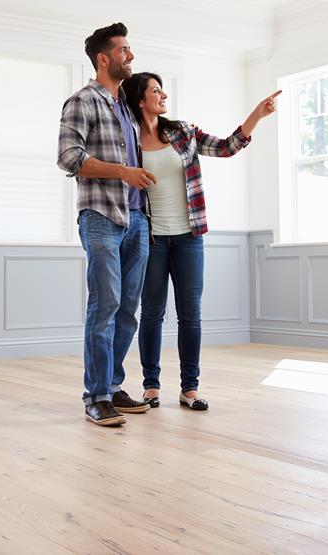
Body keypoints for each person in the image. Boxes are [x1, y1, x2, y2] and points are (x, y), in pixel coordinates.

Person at [122, 72, 280, 411]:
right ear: (140, 100)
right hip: (150, 238)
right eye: (155, 91)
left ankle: (189, 389)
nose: (163, 96)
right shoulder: (128, 140)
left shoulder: (182, 133)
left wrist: (256, 116)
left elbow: (225, 148)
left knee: (190, 315)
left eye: (162, 90)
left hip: (188, 237)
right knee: (151, 313)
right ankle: (151, 387)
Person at [57, 23, 159, 427]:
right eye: (124, 50)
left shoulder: (127, 110)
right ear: (104, 57)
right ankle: (96, 395)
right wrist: (122, 172)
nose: (130, 55)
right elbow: (68, 157)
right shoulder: (82, 102)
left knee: (128, 311)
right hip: (101, 216)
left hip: (137, 218)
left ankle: (113, 386)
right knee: (105, 306)